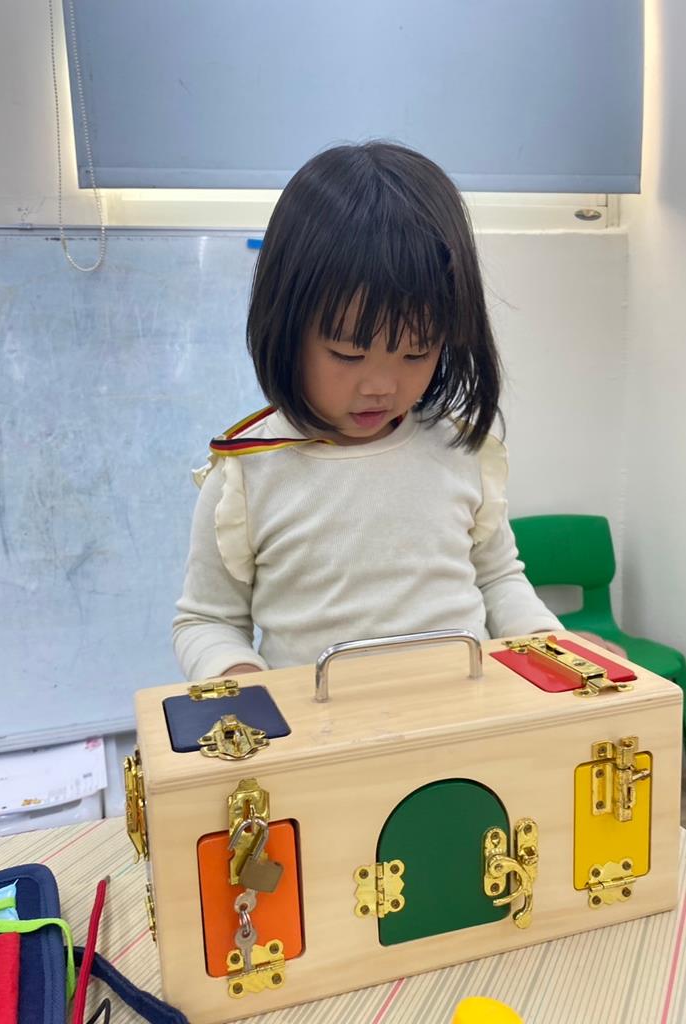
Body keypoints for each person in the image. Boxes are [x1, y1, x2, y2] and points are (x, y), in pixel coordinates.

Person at [173, 141, 617, 681]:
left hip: (466, 718)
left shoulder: (459, 449)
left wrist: (552, 644)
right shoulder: (248, 472)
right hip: (327, 728)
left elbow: (498, 579)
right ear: (285, 329)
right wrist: (238, 674)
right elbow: (207, 620)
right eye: (347, 354)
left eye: (416, 352)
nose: (381, 386)